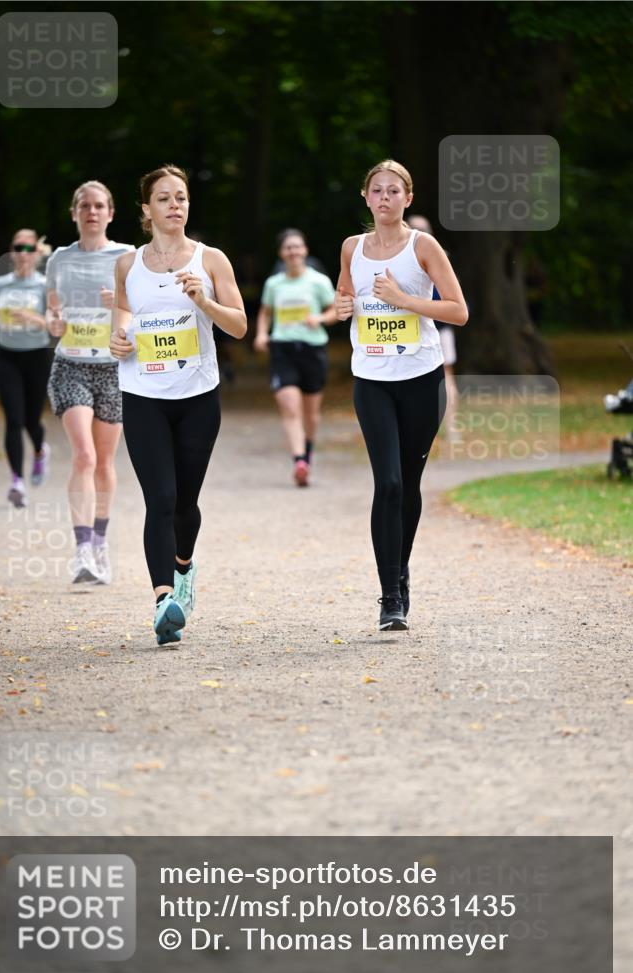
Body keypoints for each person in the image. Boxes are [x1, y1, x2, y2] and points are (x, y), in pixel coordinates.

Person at [109, 165, 247, 646]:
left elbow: (239, 326)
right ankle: (164, 602)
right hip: (143, 395)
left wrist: (205, 302)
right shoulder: (128, 264)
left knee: (186, 503)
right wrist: (118, 337)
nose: (175, 205)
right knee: (160, 499)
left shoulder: (211, 260)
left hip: (197, 397)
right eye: (164, 198)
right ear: (146, 210)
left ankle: (183, 568)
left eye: (182, 197)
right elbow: (124, 314)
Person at [336, 160, 468, 631]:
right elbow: (343, 298)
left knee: (408, 484)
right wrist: (341, 305)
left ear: (408, 199)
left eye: (395, 191)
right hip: (371, 378)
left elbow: (458, 310)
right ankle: (390, 594)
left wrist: (404, 300)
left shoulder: (423, 246)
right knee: (387, 482)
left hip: (421, 378)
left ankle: (401, 568)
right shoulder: (352, 248)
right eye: (378, 190)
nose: (386, 197)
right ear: (366, 198)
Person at [45, 181, 134, 584]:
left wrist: (116, 304)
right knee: (84, 456)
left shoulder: (127, 257)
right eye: (85, 205)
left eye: (100, 206)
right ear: (74, 213)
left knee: (105, 462)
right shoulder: (59, 260)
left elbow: (140, 312)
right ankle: (82, 549)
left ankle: (100, 541)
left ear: (110, 214)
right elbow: (51, 315)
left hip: (113, 368)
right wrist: (54, 324)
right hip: (71, 365)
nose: (92, 212)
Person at [254, 229, 337, 486]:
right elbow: (265, 312)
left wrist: (320, 318)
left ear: (305, 250)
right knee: (290, 408)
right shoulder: (274, 284)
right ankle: (299, 460)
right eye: (288, 248)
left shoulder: (319, 281)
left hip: (312, 350)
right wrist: (261, 334)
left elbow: (335, 310)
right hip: (283, 350)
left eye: (297, 247)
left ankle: (307, 454)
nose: (293, 252)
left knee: (311, 414)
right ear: (281, 253)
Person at [0, 229, 52, 508]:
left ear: (36, 253)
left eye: (28, 248)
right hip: (7, 357)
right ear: (12, 252)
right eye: (18, 247)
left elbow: (56, 325)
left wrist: (35, 319)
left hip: (35, 358)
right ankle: (16, 483)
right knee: (13, 419)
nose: (22, 254)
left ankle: (39, 451)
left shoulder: (45, 286)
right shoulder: (0, 284)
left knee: (31, 420)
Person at [407, 214, 461, 443]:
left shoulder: (422, 257)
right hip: (426, 324)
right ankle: (448, 429)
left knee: (444, 376)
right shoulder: (441, 255)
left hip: (428, 324)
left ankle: (449, 427)